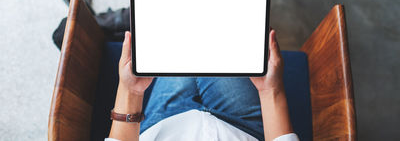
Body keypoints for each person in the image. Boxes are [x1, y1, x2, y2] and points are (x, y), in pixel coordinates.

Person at [106, 30, 299, 141]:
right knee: (224, 33)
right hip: (242, 128)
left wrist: (130, 90)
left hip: (162, 124)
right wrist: (270, 90)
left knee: (181, 35)